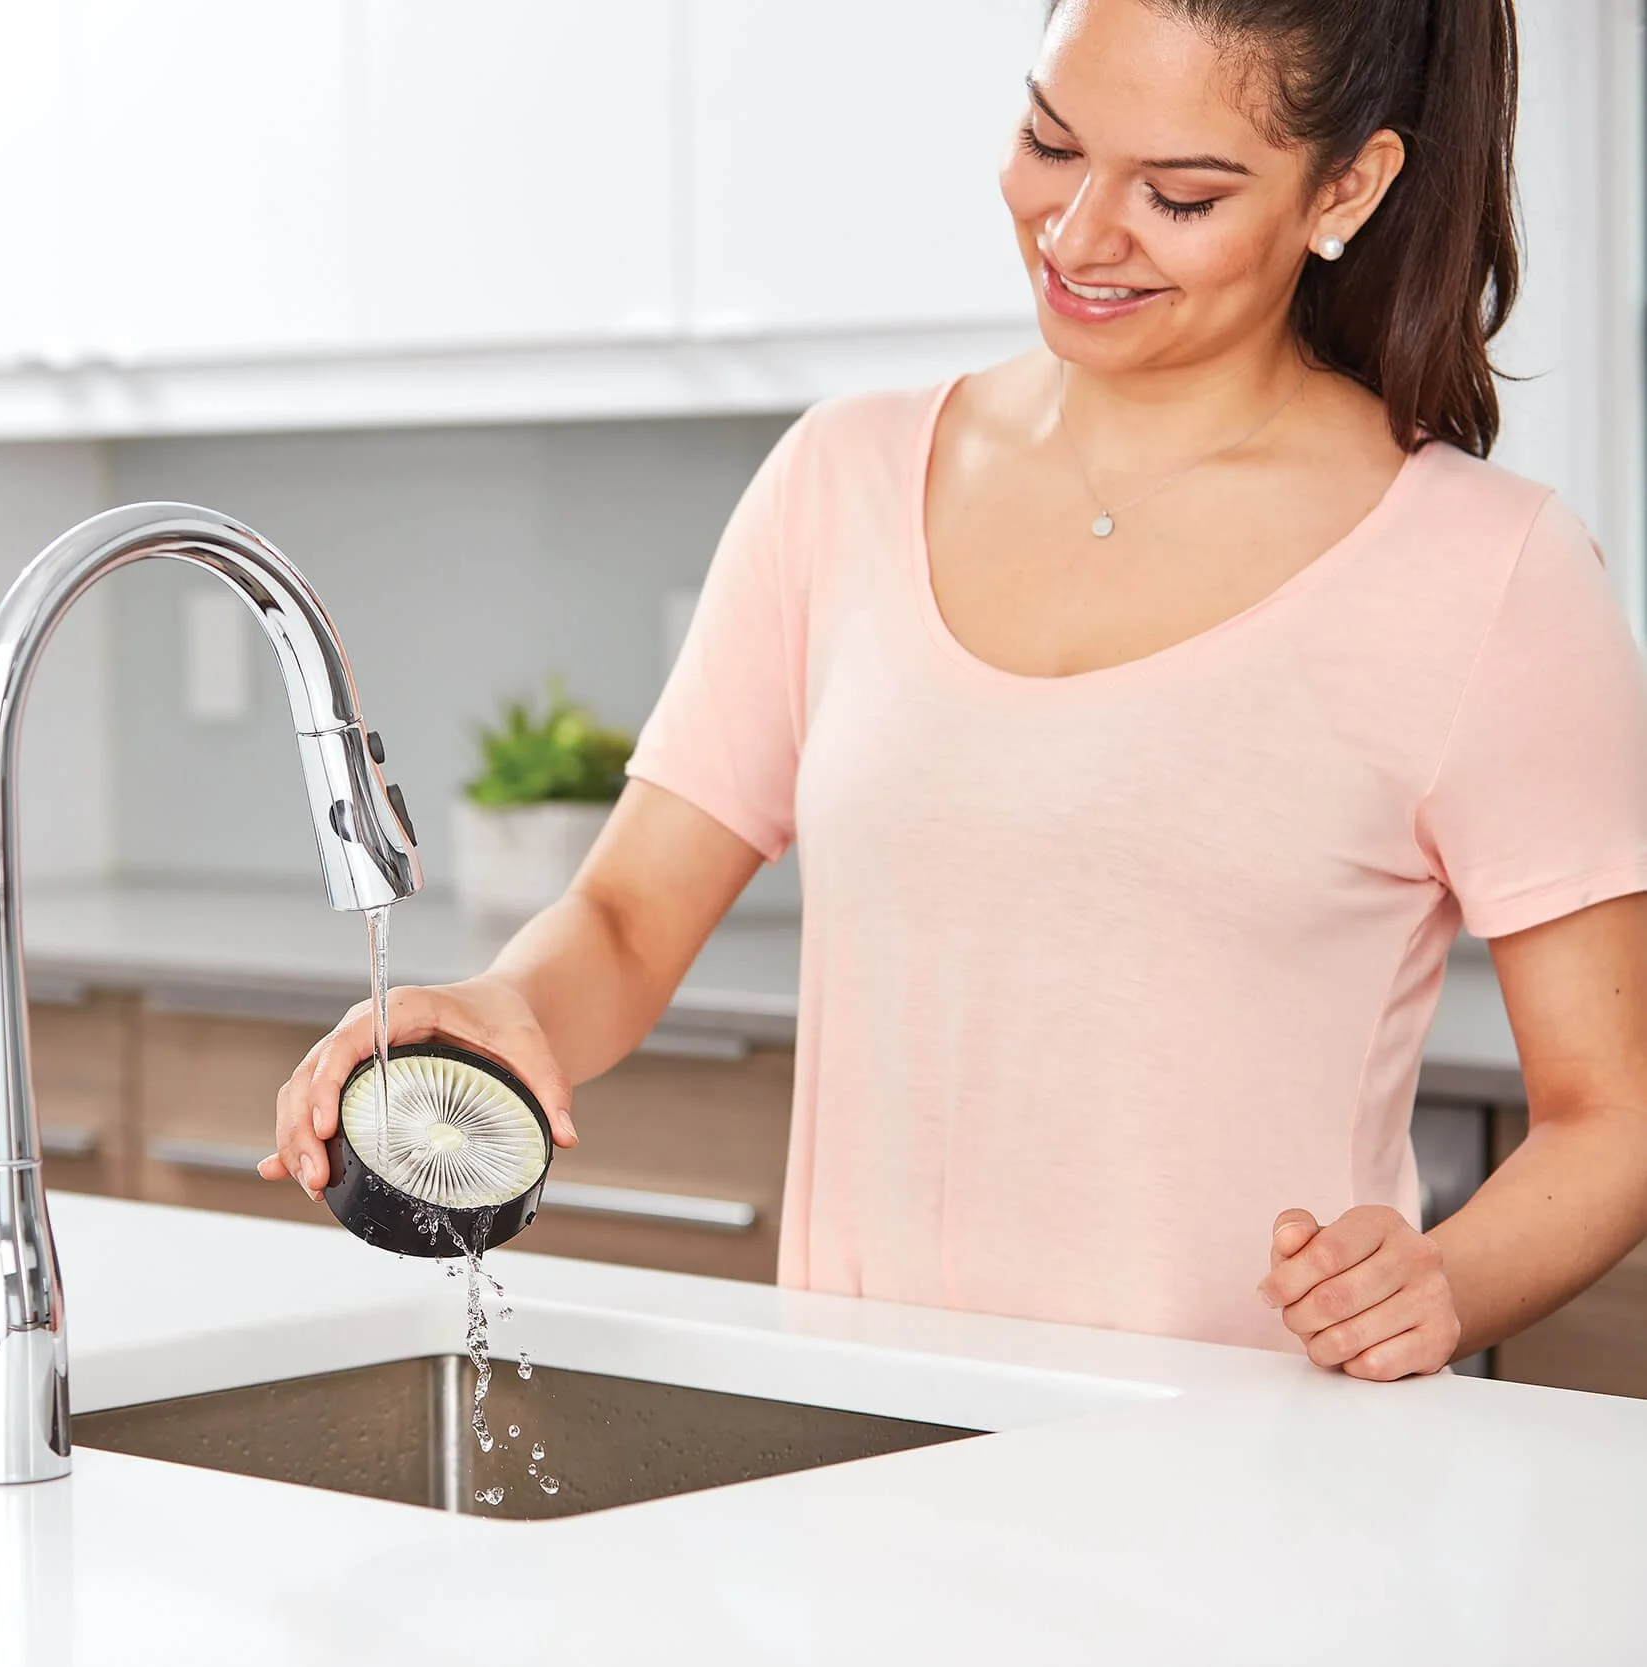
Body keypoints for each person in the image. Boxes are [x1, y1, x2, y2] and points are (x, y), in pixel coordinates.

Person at [264, 0, 1647, 1379]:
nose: (1079, 233)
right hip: (863, 1459)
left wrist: (1443, 1281)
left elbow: (1614, 1114)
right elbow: (628, 917)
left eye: (1178, 195)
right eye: (1050, 142)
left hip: (1243, 1495)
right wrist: (507, 1005)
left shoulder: (1489, 572)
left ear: (1347, 185)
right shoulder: (840, 481)